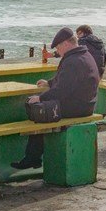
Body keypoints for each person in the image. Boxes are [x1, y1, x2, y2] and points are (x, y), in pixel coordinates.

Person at [12, 27, 101, 169]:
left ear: (65, 44)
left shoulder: (73, 61)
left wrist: (40, 98)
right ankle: (33, 157)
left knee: (39, 111)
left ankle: (32, 158)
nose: (57, 52)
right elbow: (66, 80)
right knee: (42, 111)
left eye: (58, 48)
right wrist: (49, 83)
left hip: (77, 107)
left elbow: (61, 90)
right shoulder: (84, 55)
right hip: (86, 104)